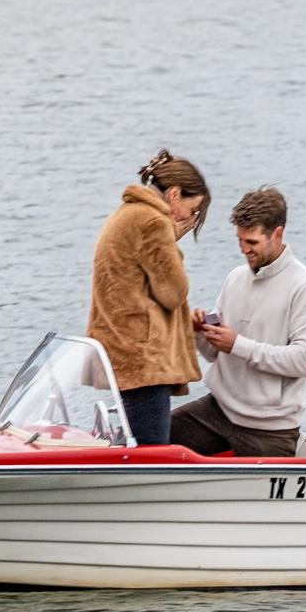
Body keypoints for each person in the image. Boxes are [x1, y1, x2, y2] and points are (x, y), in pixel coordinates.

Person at [169, 187, 306, 457]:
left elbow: (305, 361)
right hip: (218, 411)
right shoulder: (235, 278)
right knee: (151, 438)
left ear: (277, 234)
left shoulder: (305, 286)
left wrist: (238, 345)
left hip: (270, 428)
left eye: (252, 242)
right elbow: (214, 354)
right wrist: (199, 333)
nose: (244, 249)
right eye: (240, 240)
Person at [86, 150, 209, 445]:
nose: (190, 219)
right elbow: (173, 292)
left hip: (121, 347)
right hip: (144, 358)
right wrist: (172, 240)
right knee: (151, 450)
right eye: (192, 209)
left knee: (137, 445)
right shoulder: (153, 222)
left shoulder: (128, 213)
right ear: (174, 194)